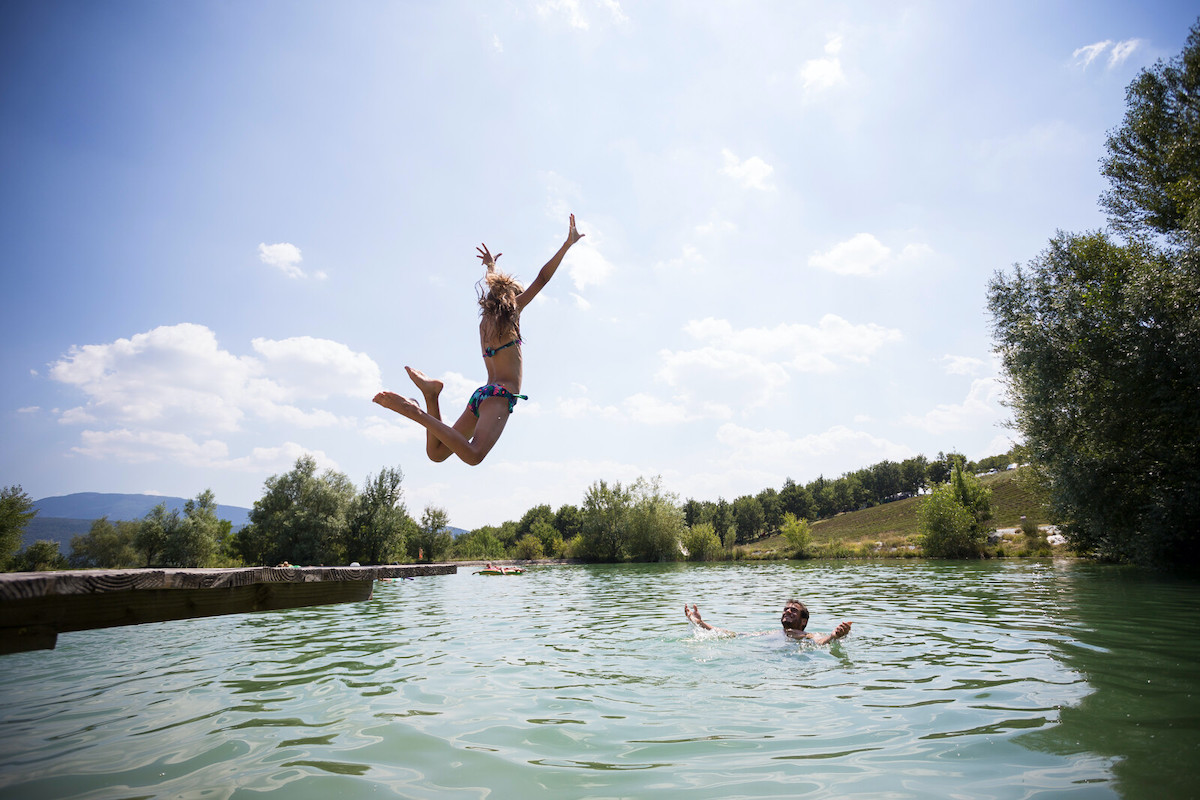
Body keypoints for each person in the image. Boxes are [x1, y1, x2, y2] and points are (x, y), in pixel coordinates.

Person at [373, 215, 584, 465]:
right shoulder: (512, 313)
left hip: (483, 394)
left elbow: (498, 287)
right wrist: (566, 245)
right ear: (512, 297)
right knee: (474, 456)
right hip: (499, 394)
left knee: (437, 453)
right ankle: (413, 410)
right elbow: (543, 278)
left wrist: (491, 268)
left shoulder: (485, 320)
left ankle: (431, 395)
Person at [684, 600, 852, 645]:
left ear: (803, 621)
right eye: (786, 609)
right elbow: (733, 635)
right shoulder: (773, 633)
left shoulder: (804, 635)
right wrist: (701, 623)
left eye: (793, 610)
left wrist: (833, 636)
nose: (787, 611)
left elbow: (820, 641)